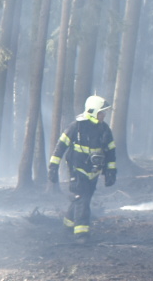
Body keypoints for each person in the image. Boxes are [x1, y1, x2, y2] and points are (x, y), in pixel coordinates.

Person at [49, 94, 118, 241]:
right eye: (101, 112)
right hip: (77, 168)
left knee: (82, 199)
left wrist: (111, 171)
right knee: (82, 198)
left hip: (94, 171)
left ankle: (68, 224)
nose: (103, 115)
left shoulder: (104, 129)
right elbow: (60, 147)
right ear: (93, 111)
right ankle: (82, 233)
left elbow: (110, 152)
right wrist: (53, 167)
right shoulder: (76, 127)